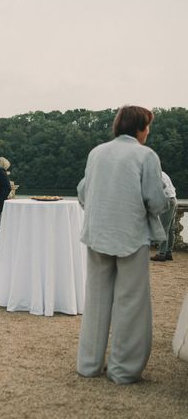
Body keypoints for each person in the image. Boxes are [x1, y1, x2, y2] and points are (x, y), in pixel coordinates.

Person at [76, 105, 167, 385]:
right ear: (139, 127)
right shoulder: (146, 155)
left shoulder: (97, 152)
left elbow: (82, 192)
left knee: (96, 300)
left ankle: (89, 364)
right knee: (131, 302)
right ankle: (123, 369)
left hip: (97, 234)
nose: (148, 132)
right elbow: (155, 200)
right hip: (130, 236)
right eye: (148, 126)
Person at [151, 171, 178, 262]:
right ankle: (168, 253)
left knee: (164, 228)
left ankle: (161, 254)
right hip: (173, 199)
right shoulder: (162, 173)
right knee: (170, 229)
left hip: (166, 201)